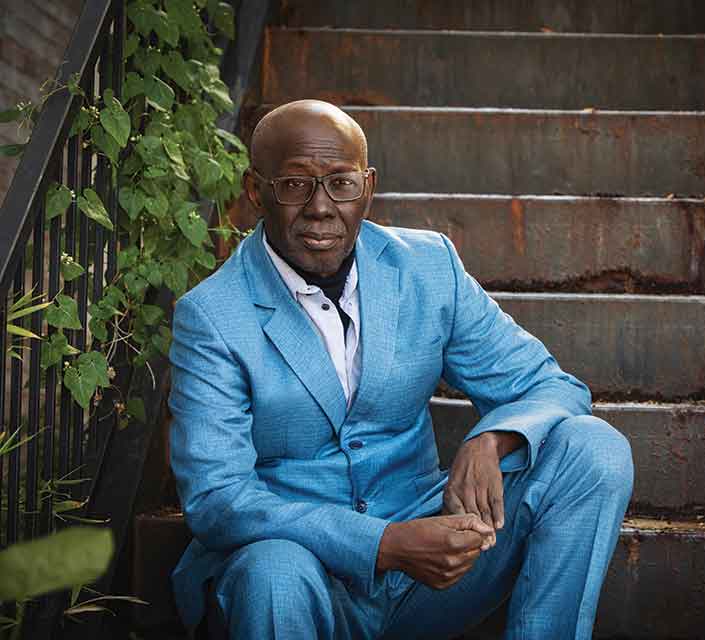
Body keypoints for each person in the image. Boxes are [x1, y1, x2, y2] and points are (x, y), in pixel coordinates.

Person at [168, 100, 633, 640]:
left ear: (367, 187)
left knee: (592, 449)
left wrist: (495, 437)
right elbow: (218, 499)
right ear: (256, 191)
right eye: (295, 185)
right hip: (304, 575)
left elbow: (550, 385)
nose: (321, 207)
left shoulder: (427, 266)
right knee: (272, 571)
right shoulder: (212, 316)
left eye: (340, 183)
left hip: (435, 566)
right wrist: (384, 544)